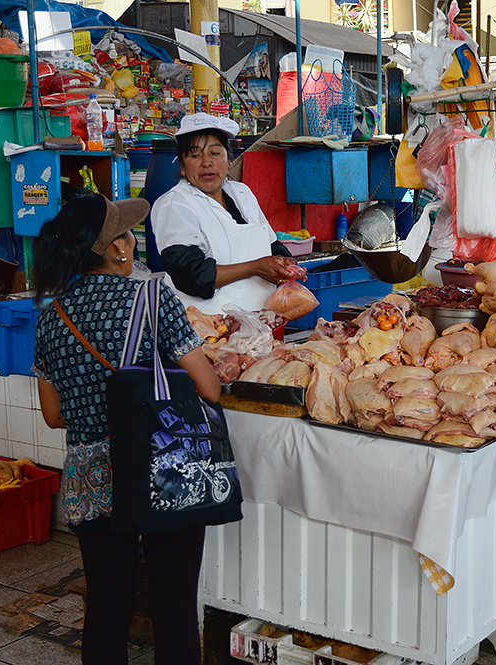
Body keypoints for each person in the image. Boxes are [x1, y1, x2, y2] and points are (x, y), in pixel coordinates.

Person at [32, 194, 220, 664]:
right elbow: (209, 389)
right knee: (173, 608)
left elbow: (54, 415)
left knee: (105, 606)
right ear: (116, 247)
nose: (133, 240)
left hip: (91, 476)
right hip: (161, 468)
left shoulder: (51, 316)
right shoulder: (151, 297)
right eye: (126, 232)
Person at [152, 113, 301, 314]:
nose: (207, 162)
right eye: (195, 155)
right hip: (207, 326)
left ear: (229, 161)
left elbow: (271, 244)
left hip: (258, 321)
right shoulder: (175, 204)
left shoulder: (242, 193)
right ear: (182, 167)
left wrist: (285, 262)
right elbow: (191, 276)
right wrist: (255, 267)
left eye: (215, 153)